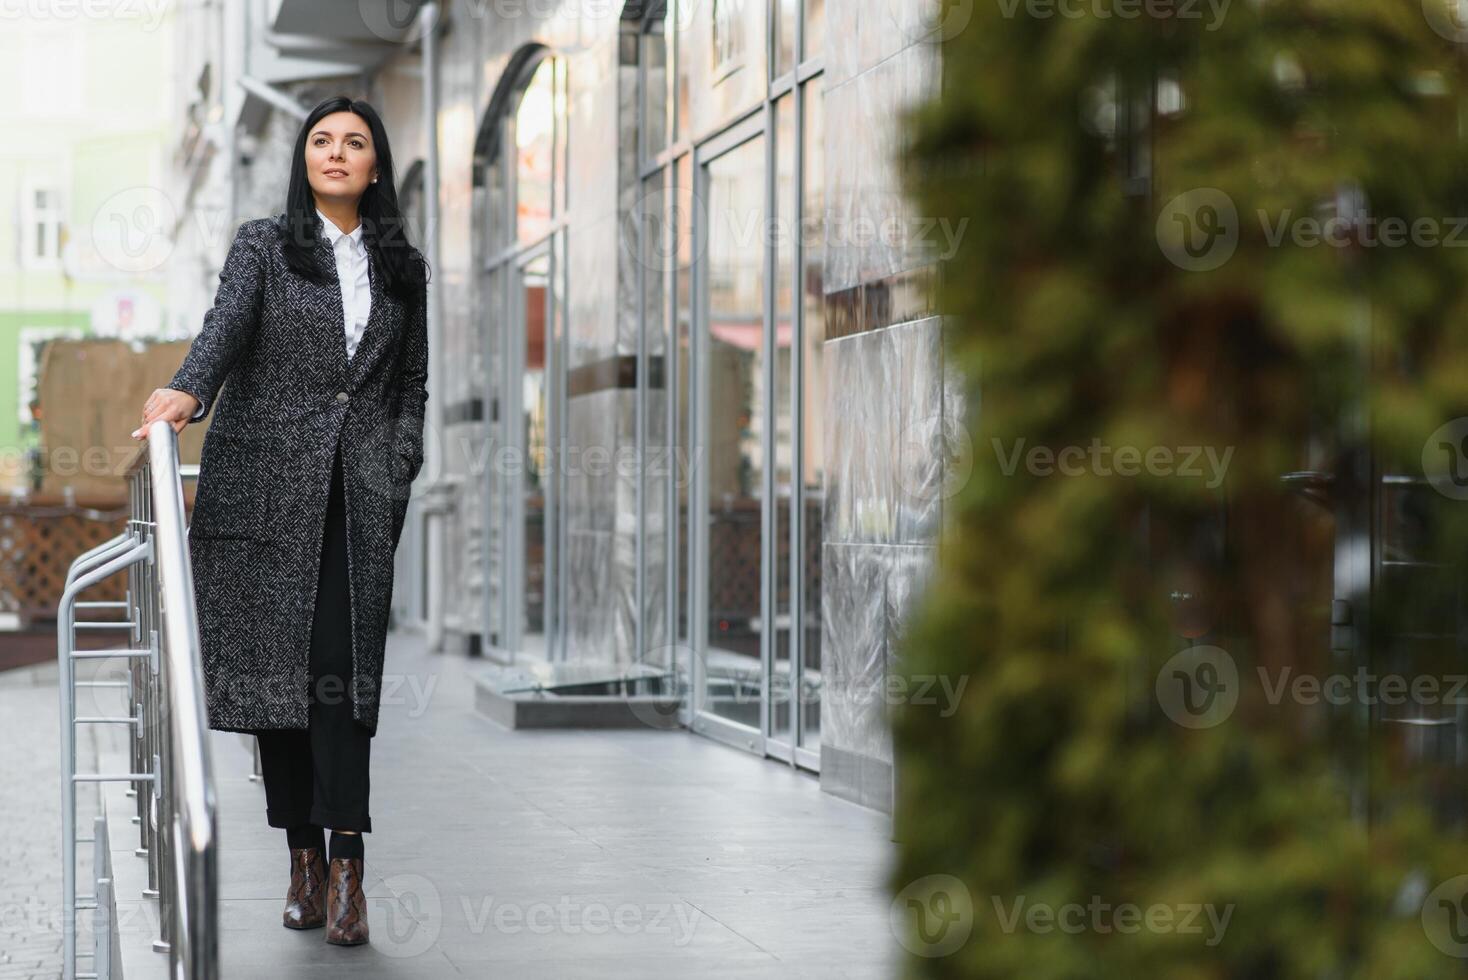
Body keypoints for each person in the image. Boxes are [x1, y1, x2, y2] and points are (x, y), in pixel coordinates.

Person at [131, 95, 430, 947]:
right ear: (305, 160)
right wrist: (190, 387)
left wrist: (399, 454)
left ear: (375, 165)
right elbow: (226, 327)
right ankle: (301, 856)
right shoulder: (265, 245)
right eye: (323, 141)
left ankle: (347, 867)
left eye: (356, 143)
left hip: (360, 497)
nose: (337, 153)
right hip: (266, 489)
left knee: (341, 672)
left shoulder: (403, 266)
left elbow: (411, 381)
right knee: (282, 681)